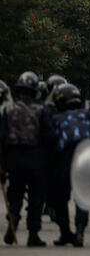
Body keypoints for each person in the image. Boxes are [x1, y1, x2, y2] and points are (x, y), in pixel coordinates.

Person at [1, 72, 53, 246]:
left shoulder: (8, 110)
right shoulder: (42, 110)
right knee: (36, 198)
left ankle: (13, 218)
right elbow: (48, 136)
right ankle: (33, 234)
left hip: (13, 159)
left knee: (14, 193)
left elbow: (1, 138)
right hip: (36, 159)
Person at [48, 83, 90, 247]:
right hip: (85, 157)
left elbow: (50, 142)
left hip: (64, 160)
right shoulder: (87, 115)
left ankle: (65, 233)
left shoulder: (56, 119)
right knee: (82, 197)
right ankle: (80, 232)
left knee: (61, 199)